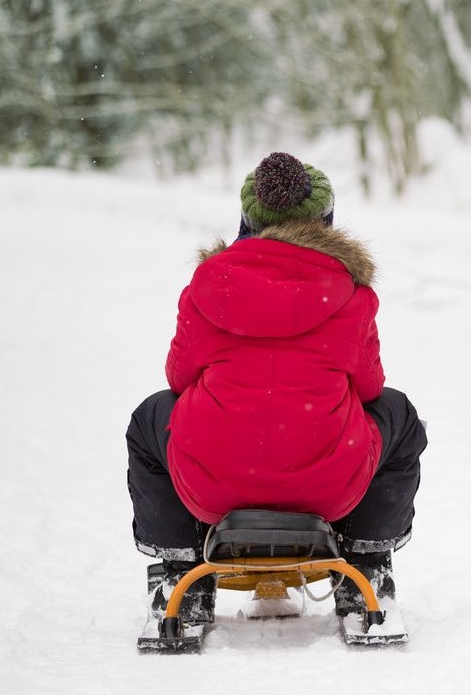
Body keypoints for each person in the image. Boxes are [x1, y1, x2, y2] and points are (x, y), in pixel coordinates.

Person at [126, 152, 426, 622]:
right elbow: (370, 389)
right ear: (325, 222)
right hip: (328, 488)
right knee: (398, 414)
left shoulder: (209, 285)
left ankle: (178, 575)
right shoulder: (351, 291)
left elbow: (179, 380)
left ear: (247, 219)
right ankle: (366, 566)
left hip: (213, 487)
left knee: (151, 416)